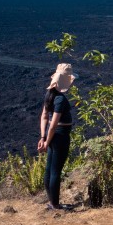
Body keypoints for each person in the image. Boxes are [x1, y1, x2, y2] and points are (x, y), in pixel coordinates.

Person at [38, 63, 74, 211]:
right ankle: (55, 204)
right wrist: (47, 141)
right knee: (55, 171)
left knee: (49, 169)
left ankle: (52, 201)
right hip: (60, 136)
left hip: (53, 136)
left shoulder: (49, 95)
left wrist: (43, 137)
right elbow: (53, 123)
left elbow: (44, 116)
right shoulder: (60, 99)